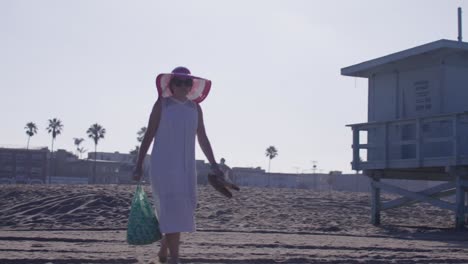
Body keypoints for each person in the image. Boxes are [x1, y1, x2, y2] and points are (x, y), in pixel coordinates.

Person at [133, 66, 225, 264]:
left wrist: (214, 164)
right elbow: (148, 135)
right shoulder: (162, 105)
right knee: (171, 209)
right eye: (178, 82)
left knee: (182, 211)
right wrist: (139, 164)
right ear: (171, 84)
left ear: (192, 86)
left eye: (187, 82)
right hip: (163, 166)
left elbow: (202, 138)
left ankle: (163, 253)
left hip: (186, 168)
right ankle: (175, 259)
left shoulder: (195, 108)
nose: (183, 85)